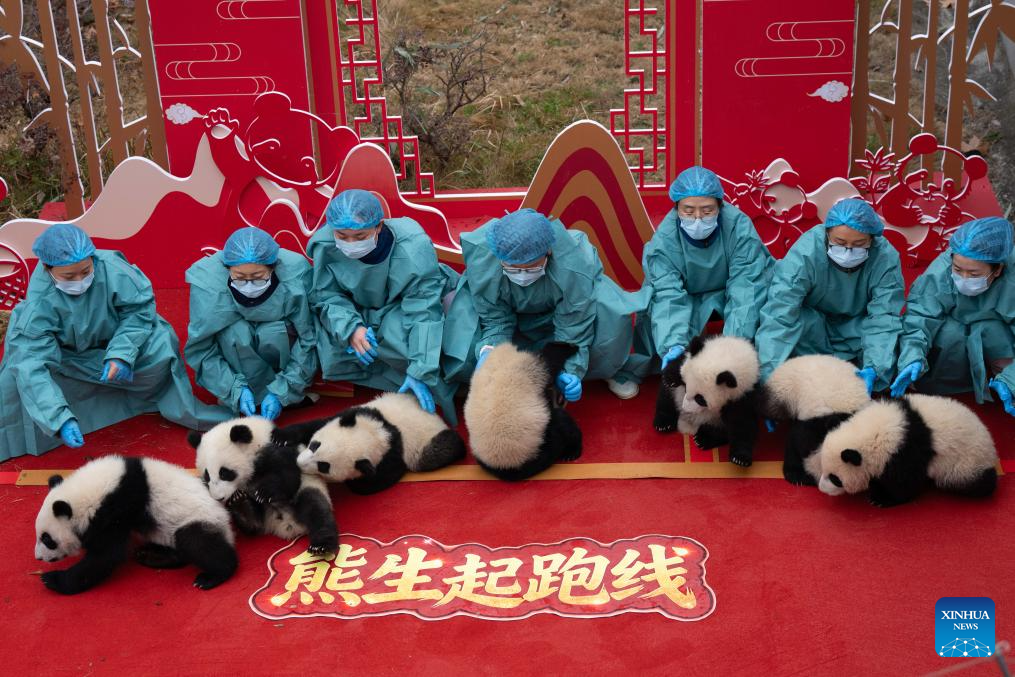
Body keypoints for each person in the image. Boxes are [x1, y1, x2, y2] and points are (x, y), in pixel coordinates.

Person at [0, 223, 231, 460]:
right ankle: (70, 417)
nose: (80, 281)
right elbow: (32, 364)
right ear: (47, 269)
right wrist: (59, 419)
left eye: (86, 271)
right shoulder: (38, 305)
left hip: (119, 342)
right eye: (69, 276)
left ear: (93, 259)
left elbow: (139, 311)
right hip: (71, 357)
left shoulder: (112, 267)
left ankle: (157, 397)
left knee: (161, 346)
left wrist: (121, 353)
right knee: (15, 379)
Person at [442, 208, 653, 400]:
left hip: (563, 319)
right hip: (516, 324)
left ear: (548, 252)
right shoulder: (485, 260)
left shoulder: (573, 265)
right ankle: (471, 379)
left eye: (530, 267)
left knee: (610, 310)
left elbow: (574, 324)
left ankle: (606, 370)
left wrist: (570, 369)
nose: (522, 275)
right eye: (512, 268)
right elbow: (495, 318)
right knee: (459, 311)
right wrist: (489, 349)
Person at [309, 189, 458, 420]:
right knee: (330, 343)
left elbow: (423, 311)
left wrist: (420, 368)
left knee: (404, 342)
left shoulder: (412, 248)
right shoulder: (326, 244)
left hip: (406, 307)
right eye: (342, 235)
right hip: (358, 312)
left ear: (379, 227)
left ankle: (433, 388)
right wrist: (351, 329)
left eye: (360, 237)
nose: (350, 244)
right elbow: (326, 296)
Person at [755, 199, 904, 394]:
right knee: (794, 323)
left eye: (859, 244)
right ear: (827, 234)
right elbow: (780, 312)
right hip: (813, 327)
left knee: (895, 341)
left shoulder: (885, 258)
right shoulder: (806, 252)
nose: (848, 252)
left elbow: (884, 317)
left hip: (856, 327)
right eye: (840, 243)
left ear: (872, 240)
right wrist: (768, 379)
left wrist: (875, 367)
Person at [642, 166, 773, 370]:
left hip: (727, 290)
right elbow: (667, 293)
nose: (697, 219)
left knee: (764, 305)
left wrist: (733, 346)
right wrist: (672, 344)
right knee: (652, 310)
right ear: (677, 208)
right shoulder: (664, 241)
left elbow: (746, 287)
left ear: (720, 206)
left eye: (707, 211)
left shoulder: (738, 228)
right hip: (687, 296)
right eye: (688, 210)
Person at [185, 226, 318, 420]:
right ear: (226, 268)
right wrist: (232, 389)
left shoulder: (295, 275)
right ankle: (239, 395)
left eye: (257, 277)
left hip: (279, 346)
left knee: (272, 332)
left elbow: (309, 339)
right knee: (237, 333)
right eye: (239, 278)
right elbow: (201, 348)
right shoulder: (208, 284)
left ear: (273, 267)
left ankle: (285, 393)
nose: (248, 285)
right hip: (235, 358)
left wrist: (283, 390)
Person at [891, 216, 1015, 415]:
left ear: (998, 269)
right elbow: (919, 315)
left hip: (998, 331)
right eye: (957, 270)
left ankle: (1003, 383)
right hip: (953, 327)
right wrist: (911, 357)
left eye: (974, 274)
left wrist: (1011, 378)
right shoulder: (942, 270)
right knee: (948, 335)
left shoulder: (1012, 279)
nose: (963, 279)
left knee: (997, 335)